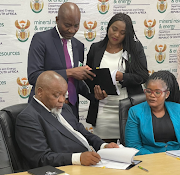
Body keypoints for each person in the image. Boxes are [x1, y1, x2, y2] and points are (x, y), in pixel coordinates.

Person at [15, 71, 119, 168]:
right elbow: (41, 158)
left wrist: (103, 145)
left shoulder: (65, 108)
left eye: (64, 95)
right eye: (56, 95)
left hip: (92, 164)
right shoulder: (28, 118)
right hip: (67, 168)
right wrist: (77, 158)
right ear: (40, 92)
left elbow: (83, 132)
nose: (62, 100)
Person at [86, 13, 149, 142]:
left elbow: (143, 76)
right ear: (108, 27)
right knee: (105, 153)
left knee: (130, 153)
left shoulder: (135, 48)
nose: (116, 35)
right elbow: (88, 77)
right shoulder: (96, 48)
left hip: (129, 110)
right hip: (103, 112)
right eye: (114, 29)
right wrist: (95, 91)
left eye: (122, 32)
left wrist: (123, 77)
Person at [27, 2, 95, 120]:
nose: (72, 30)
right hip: (45, 110)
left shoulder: (79, 46)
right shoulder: (41, 39)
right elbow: (34, 76)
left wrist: (94, 95)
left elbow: (75, 83)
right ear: (57, 19)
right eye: (67, 25)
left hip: (71, 110)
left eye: (76, 26)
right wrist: (71, 72)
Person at [125, 70, 180, 155]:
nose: (152, 95)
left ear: (167, 94)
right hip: (149, 158)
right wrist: (156, 158)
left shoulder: (177, 109)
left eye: (157, 92)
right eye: (148, 91)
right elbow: (133, 145)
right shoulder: (135, 112)